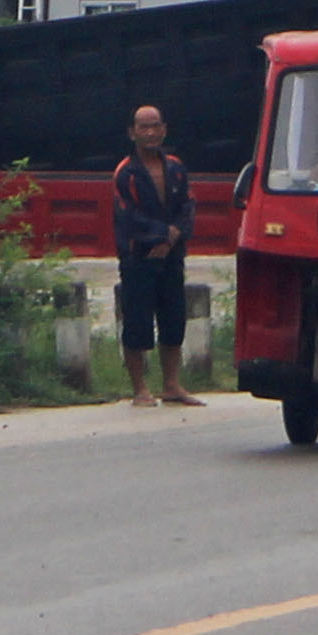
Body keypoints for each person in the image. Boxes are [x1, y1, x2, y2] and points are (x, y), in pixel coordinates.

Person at [111, 104, 200, 407]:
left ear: (164, 129)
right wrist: (162, 236)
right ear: (132, 132)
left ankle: (172, 384)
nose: (149, 133)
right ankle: (140, 389)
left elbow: (187, 207)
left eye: (154, 126)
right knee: (137, 319)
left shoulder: (175, 167)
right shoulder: (126, 172)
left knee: (174, 316)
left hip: (172, 255)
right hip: (139, 256)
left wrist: (173, 236)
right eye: (143, 127)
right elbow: (129, 216)